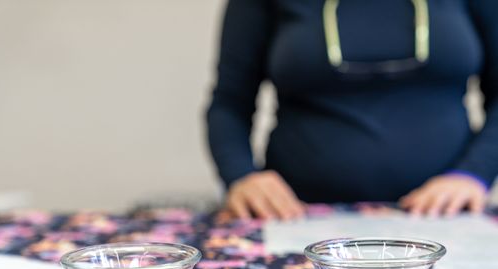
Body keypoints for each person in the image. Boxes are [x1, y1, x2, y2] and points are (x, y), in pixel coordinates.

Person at [206, 0, 498, 220]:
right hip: (296, 217)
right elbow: (229, 102)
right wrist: (241, 175)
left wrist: (474, 174)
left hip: (441, 217)